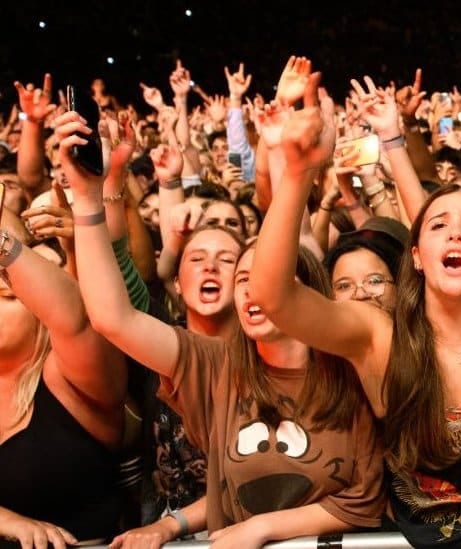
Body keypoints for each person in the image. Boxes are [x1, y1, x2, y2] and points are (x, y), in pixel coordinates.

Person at [248, 74, 461, 549]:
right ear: (415, 255)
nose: (455, 234)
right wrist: (299, 171)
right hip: (403, 539)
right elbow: (273, 297)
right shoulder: (377, 336)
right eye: (439, 225)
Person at [60, 109, 385, 547]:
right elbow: (111, 318)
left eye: (269, 280)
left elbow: (365, 500)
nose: (254, 292)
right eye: (244, 280)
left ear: (307, 296)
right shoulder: (217, 365)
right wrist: (86, 198)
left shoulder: (350, 367)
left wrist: (262, 529)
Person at [0, 215, 127, 546]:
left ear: (42, 318)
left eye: (5, 295)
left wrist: (2, 242)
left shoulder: (68, 381)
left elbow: (75, 316)